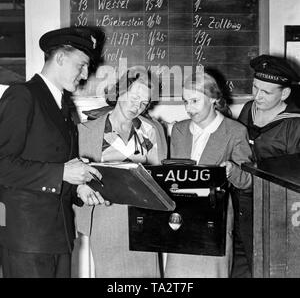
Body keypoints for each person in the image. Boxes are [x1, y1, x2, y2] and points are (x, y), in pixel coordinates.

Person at [0, 26, 105, 278]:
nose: (84, 74)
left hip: (59, 237)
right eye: (81, 65)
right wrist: (62, 172)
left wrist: (79, 187)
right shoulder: (22, 95)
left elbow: (56, 168)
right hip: (27, 240)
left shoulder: (63, 107)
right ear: (60, 58)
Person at [75, 72, 168, 278]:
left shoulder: (152, 130)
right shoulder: (86, 130)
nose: (137, 106)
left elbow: (160, 176)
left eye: (144, 103)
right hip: (106, 216)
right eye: (134, 98)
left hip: (144, 217)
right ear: (120, 91)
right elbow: (75, 174)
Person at [164, 70, 253, 278]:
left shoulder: (235, 131)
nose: (188, 108)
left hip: (215, 219)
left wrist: (231, 171)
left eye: (194, 101)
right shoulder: (179, 130)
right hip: (181, 216)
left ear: (213, 99)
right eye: (185, 102)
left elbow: (248, 182)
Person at [231, 54, 300, 278]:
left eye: (266, 92)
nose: (257, 96)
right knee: (239, 264)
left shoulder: (294, 123)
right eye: (255, 88)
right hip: (240, 199)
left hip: (274, 208)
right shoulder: (248, 109)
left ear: (285, 94)